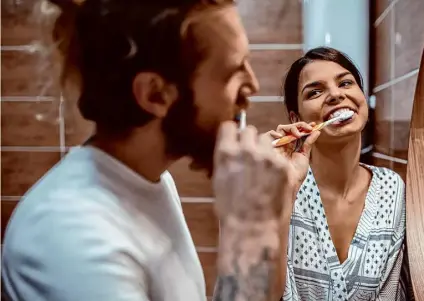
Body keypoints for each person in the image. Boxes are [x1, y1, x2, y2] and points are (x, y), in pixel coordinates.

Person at [1, 0, 292, 300]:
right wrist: (251, 230)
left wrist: (275, 212)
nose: (253, 86)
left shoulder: (152, 179)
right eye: (234, 72)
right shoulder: (67, 236)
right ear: (155, 94)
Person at [265, 47, 409, 301]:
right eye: (315, 91)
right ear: (295, 118)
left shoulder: (392, 189)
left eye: (345, 83)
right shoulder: (277, 187)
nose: (335, 94)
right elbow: (260, 292)